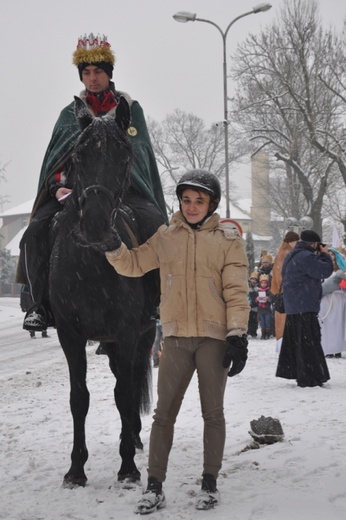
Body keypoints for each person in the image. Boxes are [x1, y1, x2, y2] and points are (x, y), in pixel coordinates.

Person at [103, 170, 250, 513]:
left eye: (199, 201)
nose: (192, 206)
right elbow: (135, 263)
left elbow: (236, 292)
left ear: (211, 203)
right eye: (186, 200)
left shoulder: (228, 240)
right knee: (163, 414)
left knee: (212, 413)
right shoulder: (166, 236)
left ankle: (209, 482)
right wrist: (113, 246)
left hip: (214, 339)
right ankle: (154, 485)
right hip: (176, 338)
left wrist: (238, 334)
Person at [16, 33, 167, 331]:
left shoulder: (129, 109)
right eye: (86, 72)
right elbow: (56, 160)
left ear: (109, 74)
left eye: (98, 71)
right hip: (75, 194)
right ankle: (39, 306)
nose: (92, 78)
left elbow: (140, 156)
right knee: (34, 232)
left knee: (156, 225)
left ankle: (155, 302)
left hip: (126, 192)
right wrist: (58, 186)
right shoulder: (70, 114)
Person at [276, 229, 333, 387]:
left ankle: (297, 371)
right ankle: (310, 376)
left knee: (297, 343)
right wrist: (325, 254)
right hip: (304, 305)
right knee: (309, 343)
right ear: (314, 243)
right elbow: (325, 271)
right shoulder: (305, 256)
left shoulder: (292, 255)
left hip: (294, 306)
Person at [271, 231, 300, 352]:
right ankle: (285, 345)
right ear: (291, 241)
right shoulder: (286, 253)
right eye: (296, 241)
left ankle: (282, 343)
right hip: (285, 291)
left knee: (282, 320)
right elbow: (281, 275)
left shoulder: (282, 252)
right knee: (285, 320)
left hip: (281, 291)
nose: (297, 244)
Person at [319, 247, 346, 358]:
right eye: (328, 253)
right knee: (327, 324)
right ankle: (328, 349)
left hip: (339, 298)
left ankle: (338, 348)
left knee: (338, 324)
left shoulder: (341, 269)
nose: (331, 256)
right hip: (326, 299)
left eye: (332, 254)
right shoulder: (321, 268)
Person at [247, 272, 259, 338]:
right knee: (248, 320)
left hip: (255, 306)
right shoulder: (247, 287)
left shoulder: (257, 288)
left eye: (255, 279)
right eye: (252, 279)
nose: (253, 281)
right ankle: (248, 332)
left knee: (254, 320)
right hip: (248, 305)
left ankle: (253, 332)